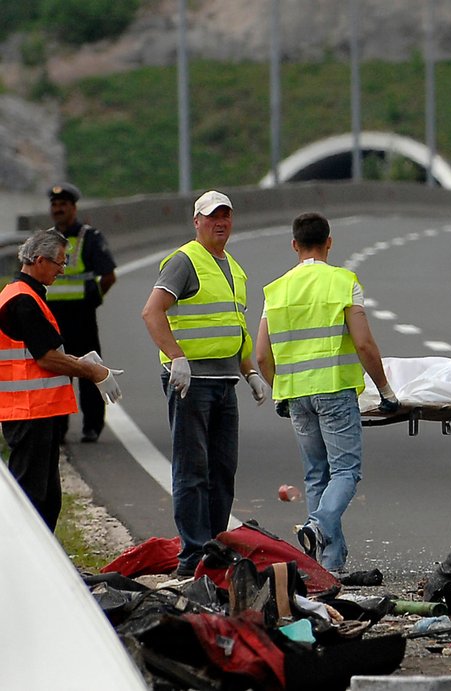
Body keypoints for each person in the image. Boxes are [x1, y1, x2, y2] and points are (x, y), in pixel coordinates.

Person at [255, 212, 398, 573]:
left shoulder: (275, 290)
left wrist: (280, 391)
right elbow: (364, 343)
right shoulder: (343, 281)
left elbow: (260, 354)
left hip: (296, 396)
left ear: (294, 245)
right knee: (346, 472)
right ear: (329, 242)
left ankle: (329, 565)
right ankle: (317, 527)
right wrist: (384, 390)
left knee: (317, 475)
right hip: (334, 390)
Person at [141, 190, 268, 577]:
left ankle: (216, 548)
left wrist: (250, 372)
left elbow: (235, 329)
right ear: (196, 221)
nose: (220, 222)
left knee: (222, 470)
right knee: (192, 470)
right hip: (191, 383)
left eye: (226, 216)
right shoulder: (185, 261)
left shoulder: (233, 268)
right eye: (212, 216)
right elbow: (152, 311)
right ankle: (192, 557)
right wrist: (176, 357)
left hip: (225, 381)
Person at [0, 229, 123, 530]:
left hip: (34, 411)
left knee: (47, 497)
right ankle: (24, 567)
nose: (62, 269)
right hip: (28, 411)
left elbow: (42, 353)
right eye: (59, 262)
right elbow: (47, 357)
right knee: (32, 498)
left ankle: (44, 567)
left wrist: (82, 362)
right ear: (39, 260)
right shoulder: (23, 301)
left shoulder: (26, 295)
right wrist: (93, 372)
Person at [46, 183, 118, 444]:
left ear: (73, 208)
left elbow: (109, 275)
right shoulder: (46, 240)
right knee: (56, 374)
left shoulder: (89, 237)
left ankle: (92, 426)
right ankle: (58, 429)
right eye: (55, 205)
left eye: (63, 204)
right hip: (52, 319)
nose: (58, 209)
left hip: (81, 317)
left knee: (88, 371)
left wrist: (93, 299)